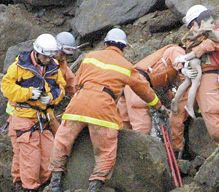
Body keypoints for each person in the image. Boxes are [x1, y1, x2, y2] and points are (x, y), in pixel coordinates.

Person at [47, 28, 164, 192]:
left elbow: (76, 83)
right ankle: (95, 185)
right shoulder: (126, 66)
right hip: (103, 108)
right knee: (105, 150)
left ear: (106, 43)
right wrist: (158, 106)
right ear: (123, 47)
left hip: (79, 103)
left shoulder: (90, 57)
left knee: (62, 140)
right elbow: (143, 89)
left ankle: (55, 181)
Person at [1, 33, 66, 191]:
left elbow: (61, 88)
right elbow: (6, 87)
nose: (48, 60)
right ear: (37, 53)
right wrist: (28, 93)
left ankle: (31, 184)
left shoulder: (53, 66)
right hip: (24, 118)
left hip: (43, 118)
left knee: (49, 159)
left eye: (50, 57)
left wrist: (51, 97)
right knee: (30, 161)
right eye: (45, 57)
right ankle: (27, 187)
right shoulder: (19, 66)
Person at [169, 5, 219, 154]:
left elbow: (209, 46)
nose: (191, 29)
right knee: (177, 111)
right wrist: (184, 68)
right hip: (196, 79)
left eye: (193, 25)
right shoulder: (197, 38)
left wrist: (188, 57)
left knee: (212, 114)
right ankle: (178, 151)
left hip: (210, 78)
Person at [117, 44, 188, 134]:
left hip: (128, 85)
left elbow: (167, 89)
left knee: (124, 126)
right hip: (138, 84)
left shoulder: (166, 61)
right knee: (142, 127)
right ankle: (140, 147)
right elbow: (184, 69)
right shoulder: (177, 51)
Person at [171, 10, 219, 118]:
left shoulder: (196, 33)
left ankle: (176, 99)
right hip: (197, 62)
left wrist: (183, 64)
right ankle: (189, 106)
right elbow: (210, 44)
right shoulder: (206, 32)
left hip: (194, 62)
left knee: (187, 82)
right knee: (195, 83)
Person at [55, 31, 77, 96]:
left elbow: (72, 84)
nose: (64, 58)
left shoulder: (62, 65)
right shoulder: (41, 61)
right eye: (62, 53)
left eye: (67, 55)